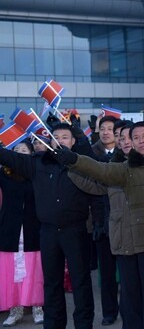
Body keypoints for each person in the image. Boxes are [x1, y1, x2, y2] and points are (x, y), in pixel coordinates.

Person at [52, 122, 144, 329]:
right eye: (136, 138)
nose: (141, 141)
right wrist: (75, 160)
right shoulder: (127, 169)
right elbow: (101, 170)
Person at [0, 123, 97, 328]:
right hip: (48, 233)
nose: (60, 140)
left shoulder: (82, 163)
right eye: (56, 137)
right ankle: (53, 324)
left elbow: (99, 168)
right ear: (50, 141)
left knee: (81, 281)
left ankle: (83, 324)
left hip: (76, 231)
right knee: (51, 283)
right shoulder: (37, 163)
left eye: (65, 137)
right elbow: (9, 158)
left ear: (72, 142)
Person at [0, 141, 44, 326]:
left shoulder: (36, 173)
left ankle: (37, 307)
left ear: (32, 153)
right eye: (16, 151)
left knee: (34, 269)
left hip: (33, 228)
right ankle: (15, 309)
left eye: (24, 151)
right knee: (10, 272)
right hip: (10, 229)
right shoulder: (3, 174)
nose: (19, 154)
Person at [89, 115, 119, 326]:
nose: (106, 132)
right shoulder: (91, 154)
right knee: (106, 273)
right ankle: (109, 312)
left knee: (129, 273)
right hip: (101, 224)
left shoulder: (128, 154)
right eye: (103, 128)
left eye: (110, 128)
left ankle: (131, 310)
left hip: (125, 223)